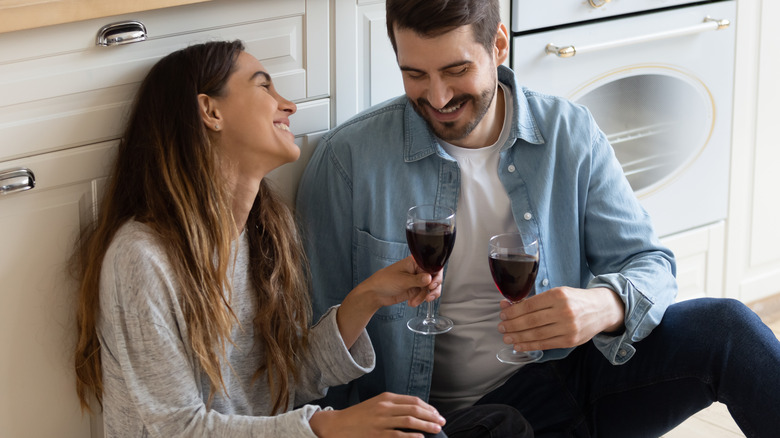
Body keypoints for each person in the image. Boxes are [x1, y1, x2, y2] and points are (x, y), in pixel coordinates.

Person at [295, 1, 780, 437]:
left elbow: (649, 261)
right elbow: (313, 341)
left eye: (456, 69)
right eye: (415, 74)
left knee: (728, 329)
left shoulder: (569, 132)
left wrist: (605, 305)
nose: (437, 97)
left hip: (570, 378)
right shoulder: (349, 161)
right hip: (445, 424)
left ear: (499, 44)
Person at [71, 39, 529, 438]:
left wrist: (366, 298)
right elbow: (176, 430)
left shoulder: (262, 235)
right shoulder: (141, 258)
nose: (288, 105)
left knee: (508, 421)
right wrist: (325, 426)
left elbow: (284, 383)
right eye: (265, 86)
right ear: (210, 111)